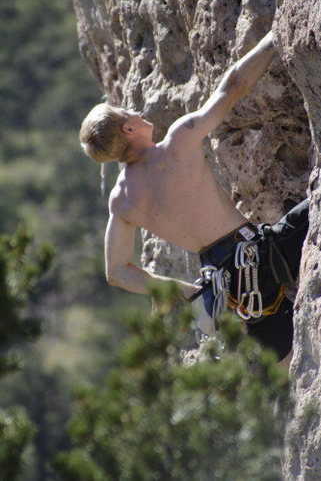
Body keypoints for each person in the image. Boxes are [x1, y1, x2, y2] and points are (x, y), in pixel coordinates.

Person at [79, 31, 309, 367]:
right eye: (125, 111)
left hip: (229, 289)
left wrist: (187, 292)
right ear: (127, 129)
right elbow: (233, 86)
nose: (134, 110)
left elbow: (117, 272)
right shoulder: (178, 143)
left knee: (286, 365)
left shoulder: (122, 200)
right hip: (258, 254)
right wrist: (274, 39)